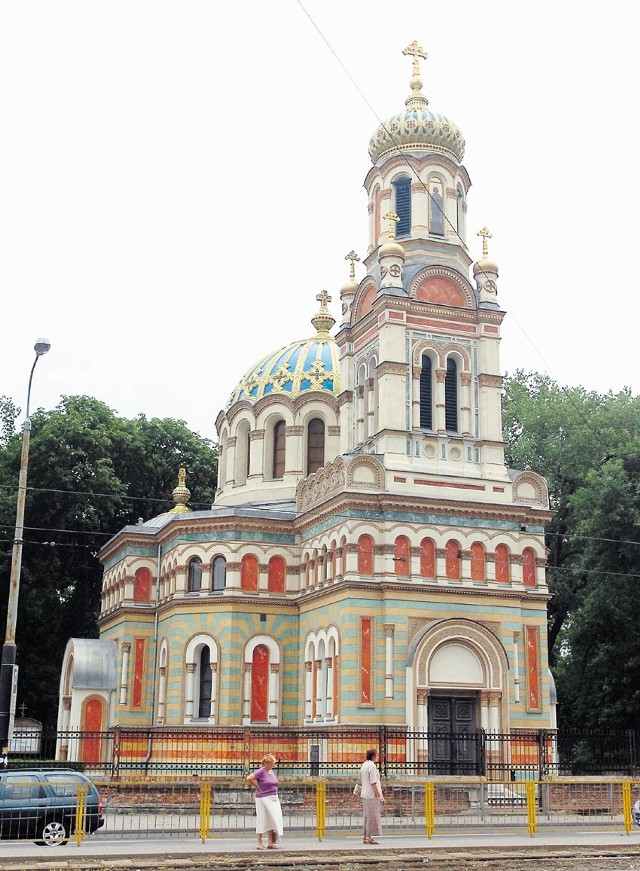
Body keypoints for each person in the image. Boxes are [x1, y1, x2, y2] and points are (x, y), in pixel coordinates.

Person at [246, 753, 283, 850]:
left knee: (272, 818)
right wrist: (257, 786)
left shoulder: (272, 772)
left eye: (271, 763)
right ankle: (259, 843)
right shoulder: (261, 772)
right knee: (262, 819)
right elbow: (249, 778)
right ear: (264, 763)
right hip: (263, 798)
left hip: (273, 798)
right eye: (268, 763)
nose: (270, 765)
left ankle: (270, 842)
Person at [360, 747, 385, 844]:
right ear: (373, 756)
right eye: (377, 754)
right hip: (371, 795)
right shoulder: (372, 767)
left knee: (367, 816)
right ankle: (368, 837)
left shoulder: (364, 765)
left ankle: (366, 835)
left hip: (365, 794)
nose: (378, 756)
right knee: (372, 817)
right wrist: (379, 796)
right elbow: (373, 783)